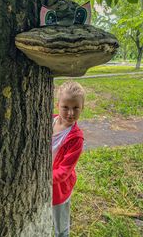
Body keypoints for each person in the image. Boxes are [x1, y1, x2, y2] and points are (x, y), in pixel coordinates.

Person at [52, 81, 85, 237]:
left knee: (61, 227)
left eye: (76, 108)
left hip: (59, 188)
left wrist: (40, 178)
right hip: (42, 184)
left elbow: (64, 171)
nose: (70, 113)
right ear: (58, 105)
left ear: (82, 108)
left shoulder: (76, 138)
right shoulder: (48, 121)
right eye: (65, 107)